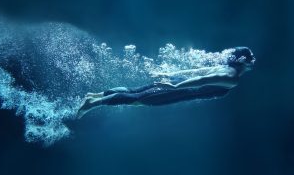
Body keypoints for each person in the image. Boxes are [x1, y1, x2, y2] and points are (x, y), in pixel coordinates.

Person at [77, 47, 255, 119]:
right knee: (138, 99)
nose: (253, 59)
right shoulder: (232, 78)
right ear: (243, 61)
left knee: (134, 91)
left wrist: (170, 75)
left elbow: (194, 72)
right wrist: (175, 86)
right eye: (251, 57)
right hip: (178, 90)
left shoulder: (223, 67)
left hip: (177, 84)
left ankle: (96, 95)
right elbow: (200, 80)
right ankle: (92, 103)